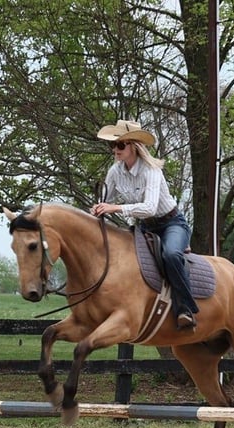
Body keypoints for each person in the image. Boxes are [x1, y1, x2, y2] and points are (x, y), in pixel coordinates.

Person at [91, 119, 198, 329]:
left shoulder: (152, 171)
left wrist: (114, 208)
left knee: (171, 255)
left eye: (120, 145)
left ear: (134, 146)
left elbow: (149, 207)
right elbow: (105, 199)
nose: (115, 150)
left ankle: (186, 309)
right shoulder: (115, 172)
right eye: (112, 145)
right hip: (145, 227)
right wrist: (96, 209)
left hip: (171, 224)